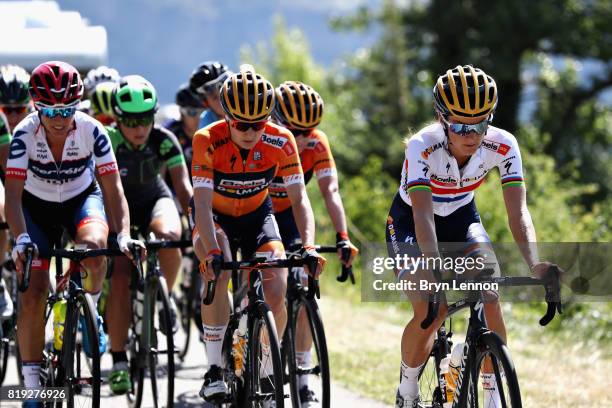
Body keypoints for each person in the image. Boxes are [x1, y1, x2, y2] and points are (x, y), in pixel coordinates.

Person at [386, 65, 558, 408]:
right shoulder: (421, 146)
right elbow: (422, 214)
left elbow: (518, 213)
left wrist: (535, 263)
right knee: (432, 312)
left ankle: (491, 394)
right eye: (460, 125)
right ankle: (407, 390)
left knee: (489, 293)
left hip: (463, 219)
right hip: (411, 223)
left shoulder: (504, 145)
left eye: (480, 124)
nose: (471, 134)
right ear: (441, 117)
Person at [5, 61, 139, 405]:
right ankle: (33, 383)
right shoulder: (23, 135)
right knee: (32, 293)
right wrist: (20, 240)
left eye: (67, 109)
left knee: (95, 248)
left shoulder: (92, 131)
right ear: (37, 106)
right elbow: (14, 198)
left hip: (81, 199)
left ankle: (90, 309)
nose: (60, 118)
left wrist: (121, 234)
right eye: (50, 110)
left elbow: (113, 190)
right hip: (36, 209)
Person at [190, 69, 326, 403]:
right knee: (219, 274)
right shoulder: (207, 139)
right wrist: (210, 254)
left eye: (258, 124)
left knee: (277, 288)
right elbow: (203, 206)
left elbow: (299, 200)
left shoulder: (282, 140)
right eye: (242, 125)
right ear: (227, 117)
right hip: (216, 218)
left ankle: (266, 369)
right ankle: (212, 371)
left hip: (257, 217)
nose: (251, 132)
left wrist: (308, 245)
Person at [104, 75, 193, 395]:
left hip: (155, 199)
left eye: (145, 119)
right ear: (117, 119)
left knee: (170, 235)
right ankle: (117, 361)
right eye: (131, 121)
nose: (139, 128)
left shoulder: (164, 139)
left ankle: (161, 295)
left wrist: (196, 222)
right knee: (119, 278)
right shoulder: (107, 140)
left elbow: (183, 189)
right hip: (118, 209)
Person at [271, 81, 359, 405]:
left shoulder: (316, 144)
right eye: (296, 131)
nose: (304, 138)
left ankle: (303, 373)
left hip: (292, 217)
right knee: (263, 276)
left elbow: (330, 192)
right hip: (259, 214)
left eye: (310, 131)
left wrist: (342, 236)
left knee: (305, 283)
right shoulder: (266, 139)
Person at [164, 83, 206, 177]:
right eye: (192, 112)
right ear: (181, 112)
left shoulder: (213, 135)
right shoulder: (169, 134)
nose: (198, 118)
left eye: (203, 112)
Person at [188, 61, 231, 129]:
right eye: (211, 93)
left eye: (221, 86)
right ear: (205, 102)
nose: (220, 97)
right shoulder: (207, 123)